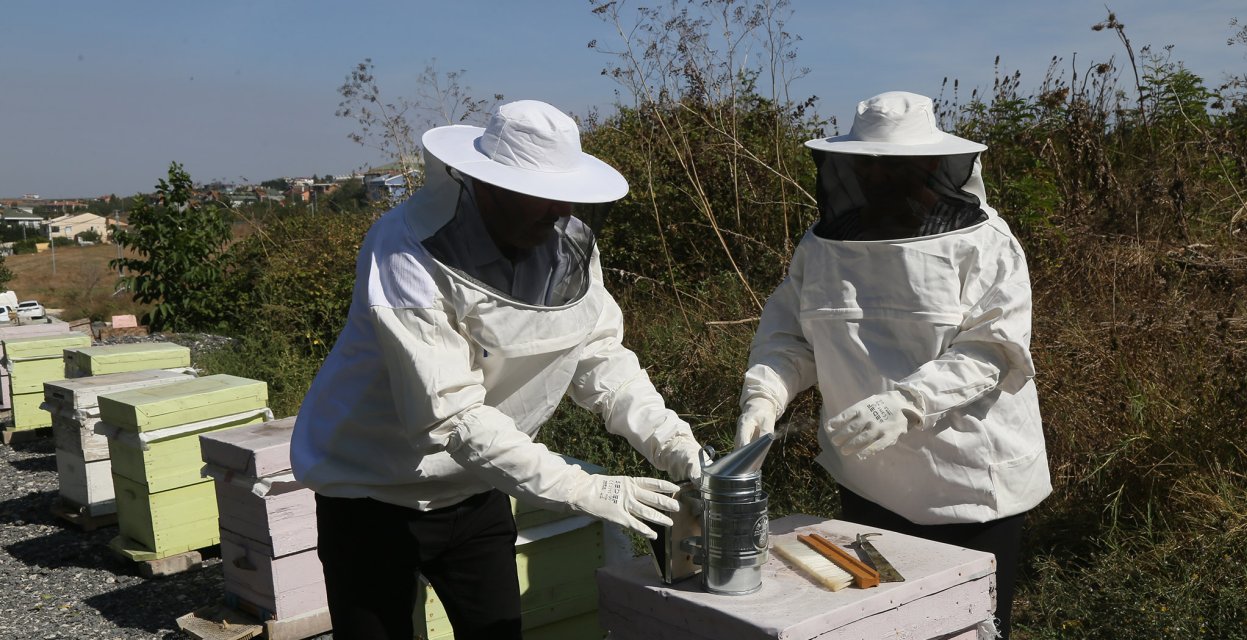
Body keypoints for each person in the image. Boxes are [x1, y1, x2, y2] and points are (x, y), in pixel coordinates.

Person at [290, 100, 705, 640]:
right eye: (540, 197)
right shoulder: (405, 253)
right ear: (486, 185)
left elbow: (602, 360)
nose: (558, 212)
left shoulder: (567, 246)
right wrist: (590, 490)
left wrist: (676, 444)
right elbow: (453, 416)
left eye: (567, 199)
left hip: (476, 488)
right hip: (369, 490)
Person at [735, 91, 1051, 639]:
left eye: (897, 169)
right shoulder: (822, 246)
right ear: (850, 166)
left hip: (969, 485)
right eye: (870, 168)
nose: (882, 181)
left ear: (934, 163)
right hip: (867, 479)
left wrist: (907, 403)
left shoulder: (985, 243)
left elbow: (992, 348)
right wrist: (765, 395)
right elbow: (792, 336)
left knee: (966, 628)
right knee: (878, 624)